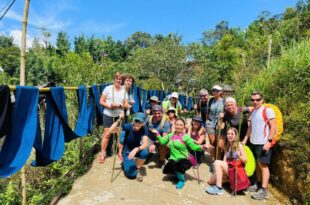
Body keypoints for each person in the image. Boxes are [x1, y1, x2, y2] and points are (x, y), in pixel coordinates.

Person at [152, 118, 211, 189]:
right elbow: (162, 142)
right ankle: (177, 174)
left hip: (185, 159)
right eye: (177, 125)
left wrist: (203, 147)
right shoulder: (170, 135)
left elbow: (194, 147)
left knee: (179, 166)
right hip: (174, 158)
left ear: (184, 126)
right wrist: (157, 134)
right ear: (174, 125)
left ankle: (181, 180)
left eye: (181, 125)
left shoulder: (185, 137)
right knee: (166, 169)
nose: (179, 127)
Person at [243, 91, 276, 200]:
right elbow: (250, 128)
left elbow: (273, 127)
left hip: (263, 143)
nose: (255, 102)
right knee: (257, 164)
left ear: (262, 100)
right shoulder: (253, 112)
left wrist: (269, 142)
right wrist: (245, 140)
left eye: (257, 99)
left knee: (263, 165)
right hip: (253, 142)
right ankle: (258, 183)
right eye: (253, 100)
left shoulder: (268, 110)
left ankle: (264, 190)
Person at [206, 127, 247, 195]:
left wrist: (238, 155)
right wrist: (221, 171)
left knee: (217, 162)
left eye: (232, 134)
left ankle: (219, 188)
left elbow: (245, 160)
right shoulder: (227, 145)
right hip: (229, 168)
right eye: (228, 134)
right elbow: (224, 161)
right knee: (210, 181)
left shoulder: (239, 145)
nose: (230, 135)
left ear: (236, 135)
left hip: (236, 170)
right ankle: (229, 180)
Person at [99, 72, 128, 163]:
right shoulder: (108, 89)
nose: (118, 80)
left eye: (120, 79)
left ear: (122, 81)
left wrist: (119, 105)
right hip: (108, 114)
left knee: (120, 135)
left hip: (119, 116)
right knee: (107, 134)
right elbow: (101, 101)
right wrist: (109, 106)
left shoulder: (124, 91)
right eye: (117, 78)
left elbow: (126, 104)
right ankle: (103, 153)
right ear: (114, 79)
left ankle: (120, 152)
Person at [110, 112, 149, 181]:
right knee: (131, 175)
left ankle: (137, 167)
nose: (137, 123)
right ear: (133, 121)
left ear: (143, 123)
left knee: (145, 153)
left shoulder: (144, 128)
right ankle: (128, 164)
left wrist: (136, 149)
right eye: (136, 121)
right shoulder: (128, 126)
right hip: (127, 152)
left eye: (140, 122)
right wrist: (119, 119)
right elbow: (111, 130)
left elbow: (145, 144)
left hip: (136, 150)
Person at [206, 85, 225, 172]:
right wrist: (206, 121)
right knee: (213, 143)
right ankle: (213, 162)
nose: (215, 92)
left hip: (219, 123)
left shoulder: (224, 101)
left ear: (221, 92)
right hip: (210, 122)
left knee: (220, 145)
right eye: (213, 90)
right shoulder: (210, 100)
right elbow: (207, 111)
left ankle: (219, 162)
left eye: (217, 91)